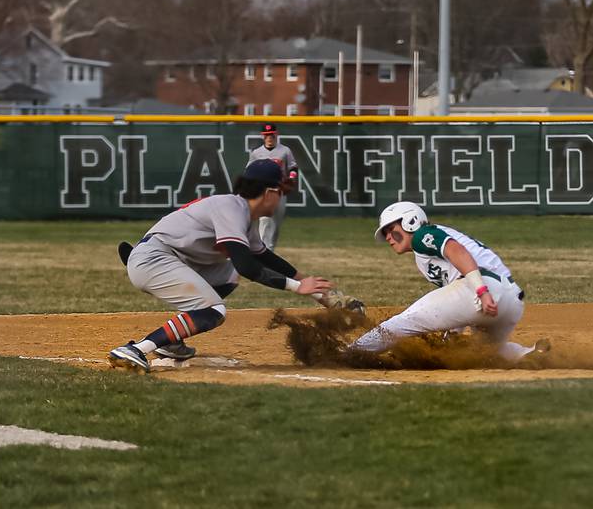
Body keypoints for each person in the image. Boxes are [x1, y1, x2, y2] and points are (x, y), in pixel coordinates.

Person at [108, 159, 333, 373]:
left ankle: (171, 341)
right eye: (281, 192)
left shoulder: (242, 213)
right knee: (214, 311)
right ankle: (136, 349)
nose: (282, 198)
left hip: (165, 257)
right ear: (269, 192)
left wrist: (312, 287)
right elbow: (248, 267)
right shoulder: (232, 208)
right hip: (155, 259)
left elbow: (263, 256)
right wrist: (296, 287)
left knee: (230, 274)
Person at [348, 201, 549, 363]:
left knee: (405, 321)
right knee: (484, 353)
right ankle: (529, 354)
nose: (388, 237)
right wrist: (452, 334)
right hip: (511, 301)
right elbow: (453, 299)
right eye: (385, 234)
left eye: (391, 229)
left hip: (483, 289)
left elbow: (456, 251)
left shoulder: (422, 235)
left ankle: (350, 353)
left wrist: (481, 290)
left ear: (410, 221)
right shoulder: (422, 253)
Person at [247, 123, 297, 251]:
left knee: (276, 224)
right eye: (266, 135)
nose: (269, 138)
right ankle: (264, 252)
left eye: (271, 135)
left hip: (279, 190)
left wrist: (291, 178)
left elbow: (293, 167)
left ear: (276, 134)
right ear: (262, 137)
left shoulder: (285, 150)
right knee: (265, 221)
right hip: (265, 191)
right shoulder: (257, 153)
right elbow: (249, 170)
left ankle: (270, 250)